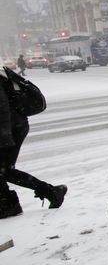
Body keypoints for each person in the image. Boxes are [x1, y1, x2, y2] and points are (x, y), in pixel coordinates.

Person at [0, 66, 67, 218]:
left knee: (5, 170)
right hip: (13, 127)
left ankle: (10, 204)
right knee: (4, 170)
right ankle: (8, 204)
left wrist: (5, 138)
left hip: (11, 129)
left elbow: (2, 109)